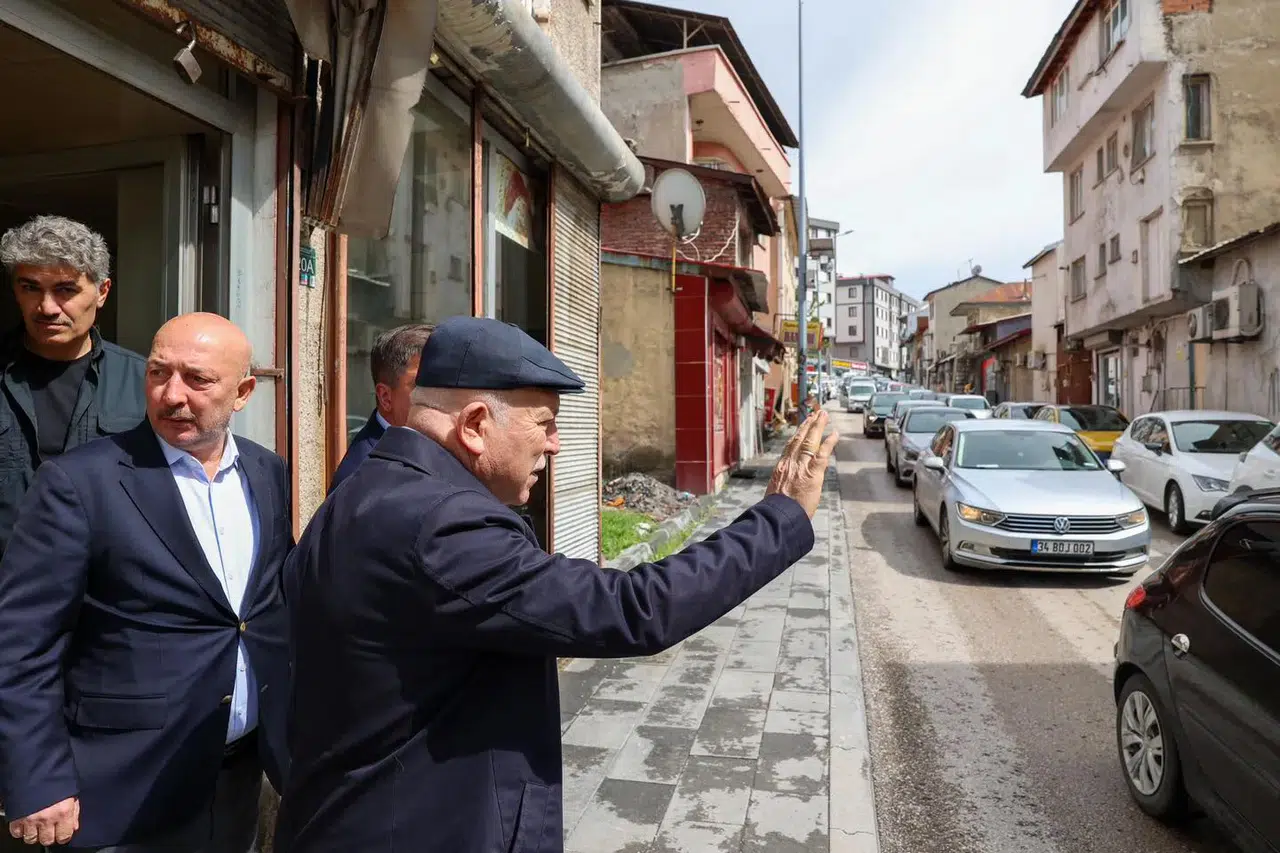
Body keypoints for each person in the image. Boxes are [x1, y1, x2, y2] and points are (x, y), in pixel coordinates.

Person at [275, 316, 838, 853]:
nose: (555, 444)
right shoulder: (441, 525)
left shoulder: (364, 487)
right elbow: (632, 609)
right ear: (474, 426)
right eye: (543, 423)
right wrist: (778, 520)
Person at [0, 313, 292, 852]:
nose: (172, 395)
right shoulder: (80, 482)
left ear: (243, 392)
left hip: (237, 779)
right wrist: (36, 778)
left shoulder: (266, 471)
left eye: (197, 379)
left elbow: (265, 610)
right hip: (120, 789)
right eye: (159, 373)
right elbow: (22, 643)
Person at [0, 215, 146, 556]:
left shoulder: (144, 382)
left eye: (65, 289)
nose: (47, 307)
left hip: (105, 580)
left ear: (102, 292)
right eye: (30, 287)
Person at [330, 323, 432, 492]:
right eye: (421, 385)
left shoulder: (430, 446)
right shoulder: (364, 478)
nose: (436, 395)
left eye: (439, 384)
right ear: (385, 397)